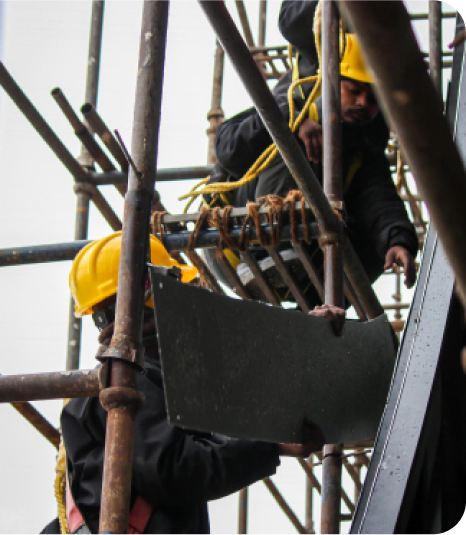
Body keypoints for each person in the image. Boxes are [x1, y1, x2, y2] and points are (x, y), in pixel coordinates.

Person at [40, 231, 344, 535]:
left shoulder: (152, 375)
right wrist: (270, 446)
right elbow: (175, 468)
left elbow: (236, 384)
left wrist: (305, 340)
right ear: (153, 289)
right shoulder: (127, 379)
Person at [202, 0, 418, 302]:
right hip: (237, 239)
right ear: (331, 78)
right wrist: (290, 123)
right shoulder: (294, 94)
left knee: (370, 230)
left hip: (303, 268)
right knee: (290, 138)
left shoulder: (362, 144)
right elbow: (227, 147)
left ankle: (322, 297)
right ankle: (272, 246)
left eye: (373, 100)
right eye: (353, 91)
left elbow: (379, 196)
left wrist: (398, 241)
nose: (362, 105)